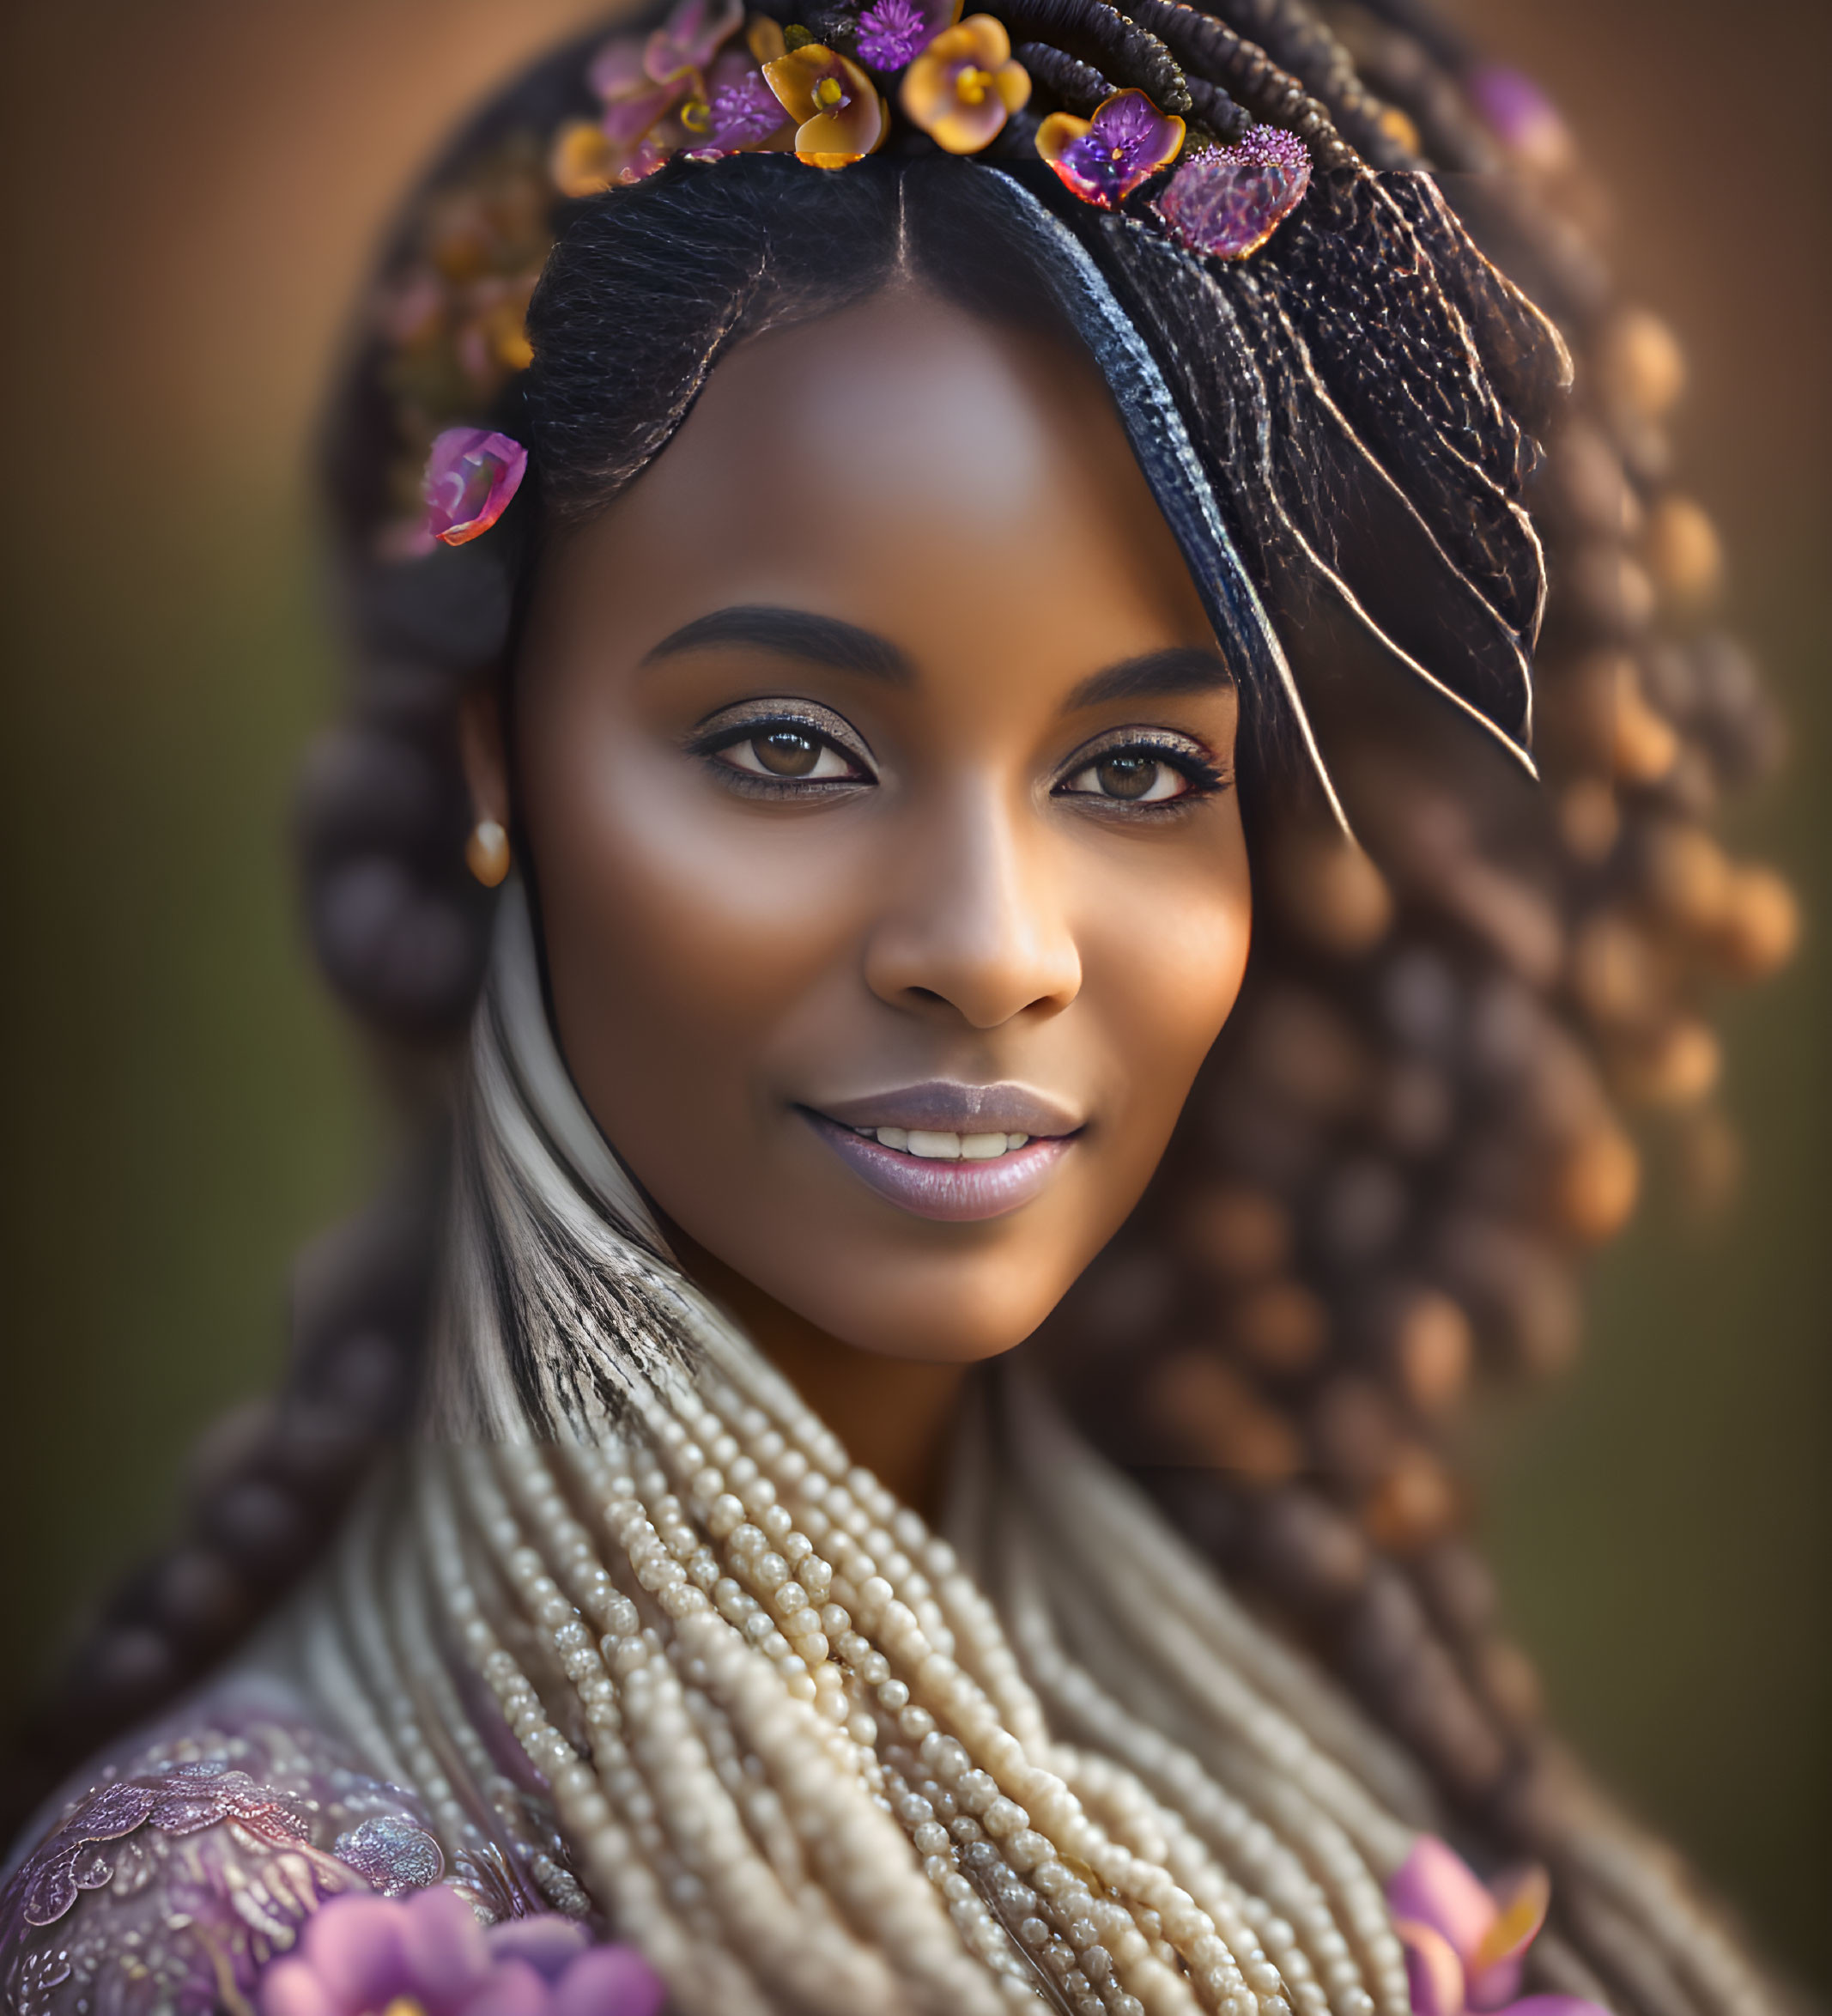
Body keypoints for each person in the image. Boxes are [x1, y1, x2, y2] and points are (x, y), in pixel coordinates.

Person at [0, 2, 1798, 2012]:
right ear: (495, 757)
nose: (992, 941)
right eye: (786, 745)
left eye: (1132, 770)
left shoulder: (1294, 1786)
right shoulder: (222, 1926)